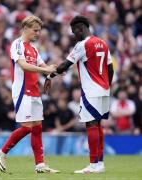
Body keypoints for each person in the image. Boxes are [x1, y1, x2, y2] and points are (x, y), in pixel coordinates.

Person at [44, 16, 114, 174]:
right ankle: (100, 163)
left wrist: (49, 76)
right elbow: (111, 69)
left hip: (91, 91)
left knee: (91, 125)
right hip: (103, 90)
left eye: (74, 32)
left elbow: (64, 66)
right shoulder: (102, 43)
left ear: (79, 29)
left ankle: (93, 164)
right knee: (98, 125)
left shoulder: (82, 45)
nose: (73, 35)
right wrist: (106, 86)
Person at [0, 15, 59, 173]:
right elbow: (23, 65)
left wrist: (50, 74)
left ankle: (40, 165)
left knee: (37, 127)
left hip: (35, 91)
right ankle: (2, 152)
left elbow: (43, 66)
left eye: (40, 31)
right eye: (35, 30)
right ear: (25, 28)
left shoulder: (34, 49)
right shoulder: (17, 44)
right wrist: (46, 70)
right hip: (22, 91)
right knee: (27, 127)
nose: (38, 33)